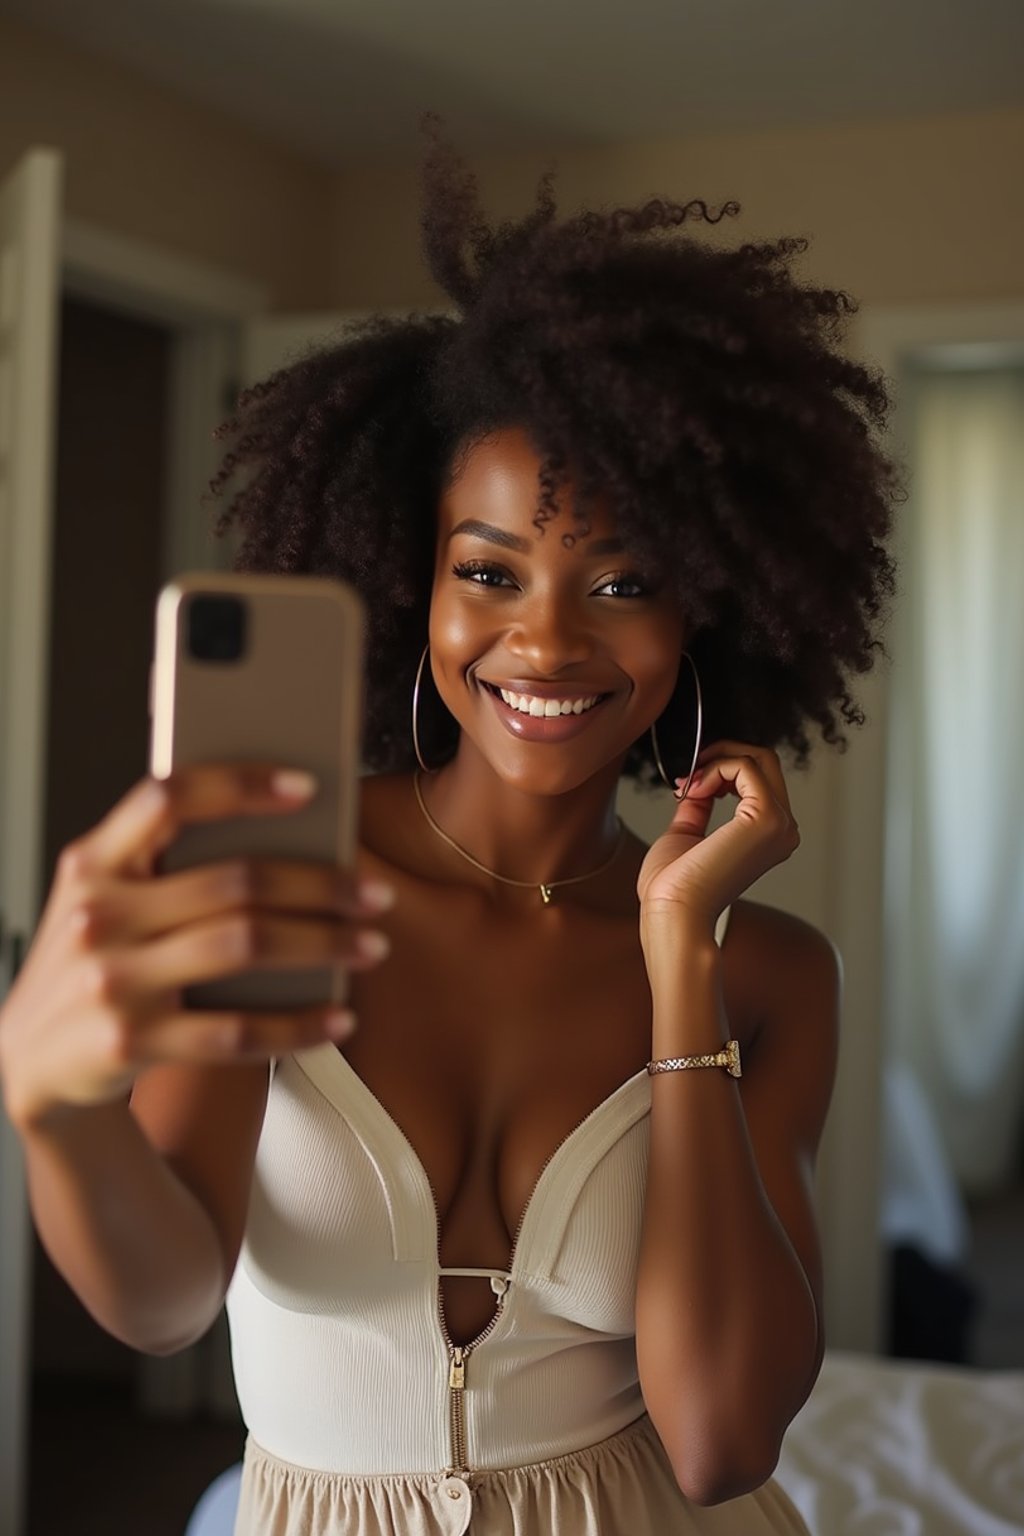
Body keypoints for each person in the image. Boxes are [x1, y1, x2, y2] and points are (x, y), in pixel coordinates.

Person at [0, 125, 900, 1535]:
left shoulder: (769, 975)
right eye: (490, 570)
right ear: (411, 587)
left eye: (623, 582)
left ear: (706, 615)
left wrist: (680, 958)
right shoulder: (280, 871)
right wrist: (53, 1110)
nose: (544, 640)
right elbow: (167, 1302)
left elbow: (723, 1440)